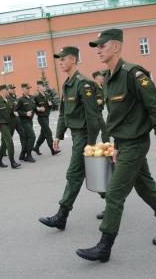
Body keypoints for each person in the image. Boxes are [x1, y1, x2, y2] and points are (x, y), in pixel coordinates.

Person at [75, 29, 156, 262]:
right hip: (124, 143)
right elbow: (118, 117)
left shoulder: (132, 74)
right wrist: (115, 145)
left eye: (102, 46)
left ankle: (104, 247)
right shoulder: (108, 77)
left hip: (136, 143)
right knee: (145, 187)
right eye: (97, 47)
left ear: (116, 46)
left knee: (114, 193)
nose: (98, 50)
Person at [38, 46, 99, 230]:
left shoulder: (84, 83)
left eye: (63, 59)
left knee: (74, 174)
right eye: (59, 59)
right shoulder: (67, 83)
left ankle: (61, 215)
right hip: (75, 134)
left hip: (84, 135)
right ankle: (112, 197)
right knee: (93, 171)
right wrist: (58, 135)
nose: (60, 62)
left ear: (73, 59)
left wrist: (90, 144)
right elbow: (64, 113)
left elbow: (93, 116)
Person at [0, 84, 21, 169]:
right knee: (9, 141)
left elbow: (9, 111)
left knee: (4, 143)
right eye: (6, 90)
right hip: (1, 124)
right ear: (2, 91)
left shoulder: (8, 100)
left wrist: (14, 113)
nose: (8, 91)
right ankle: (12, 162)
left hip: (9, 123)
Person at [92, 70, 111, 220]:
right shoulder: (94, 86)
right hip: (96, 113)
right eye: (101, 77)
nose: (102, 79)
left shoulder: (100, 86)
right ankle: (103, 144)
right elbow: (95, 100)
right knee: (103, 129)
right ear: (96, 78)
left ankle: (103, 144)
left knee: (103, 129)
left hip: (98, 113)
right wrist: (100, 101)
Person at [33, 80, 61, 156]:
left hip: (47, 117)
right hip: (41, 118)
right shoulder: (36, 97)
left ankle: (36, 147)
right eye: (42, 86)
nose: (44, 87)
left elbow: (51, 106)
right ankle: (53, 150)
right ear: (39, 88)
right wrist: (38, 108)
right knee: (48, 132)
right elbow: (32, 107)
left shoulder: (47, 95)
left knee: (43, 134)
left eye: (44, 86)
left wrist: (50, 104)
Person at [15, 83, 36, 162]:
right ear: (23, 89)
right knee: (32, 137)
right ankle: (29, 155)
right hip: (24, 122)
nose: (28, 90)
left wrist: (38, 108)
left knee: (27, 138)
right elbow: (15, 111)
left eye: (29, 88)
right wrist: (25, 113)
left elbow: (34, 107)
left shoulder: (31, 98)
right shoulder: (20, 99)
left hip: (30, 121)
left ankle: (22, 155)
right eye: (27, 89)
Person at [7, 84, 26, 157]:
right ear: (8, 90)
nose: (13, 89)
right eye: (11, 88)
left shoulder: (15, 97)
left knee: (23, 135)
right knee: (9, 138)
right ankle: (4, 152)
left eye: (14, 88)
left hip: (17, 120)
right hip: (11, 121)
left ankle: (23, 153)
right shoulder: (8, 98)